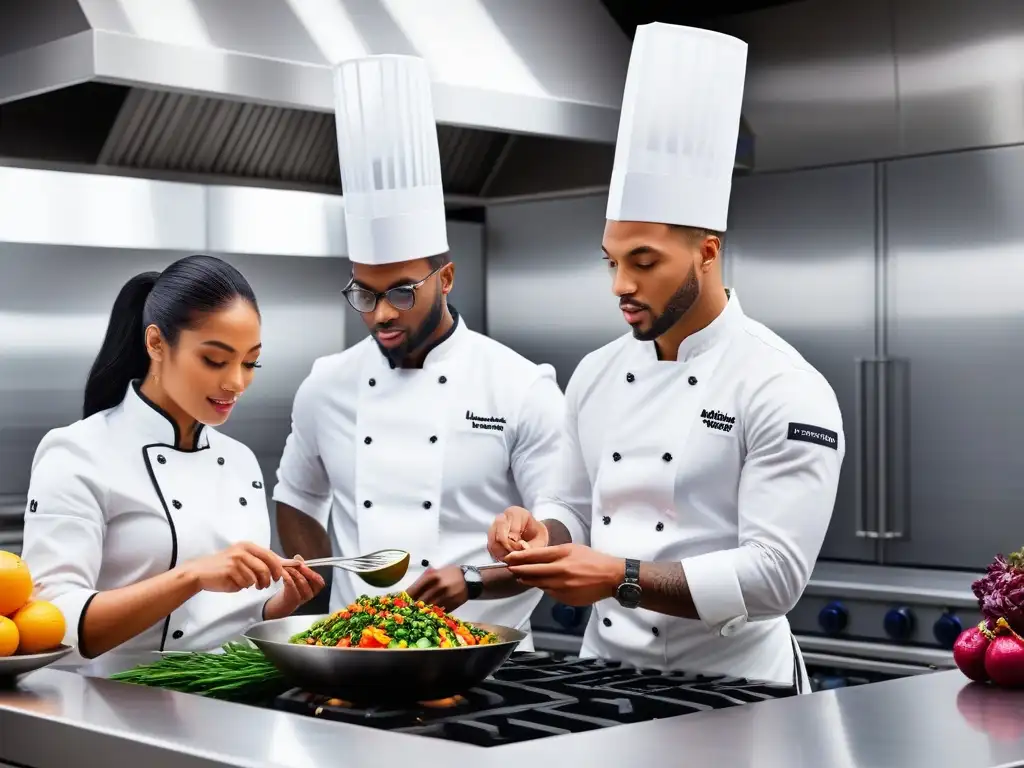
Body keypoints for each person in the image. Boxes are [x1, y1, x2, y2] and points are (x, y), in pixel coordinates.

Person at [487, 23, 845, 692]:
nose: (621, 284)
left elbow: (775, 577)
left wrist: (618, 577)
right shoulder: (594, 373)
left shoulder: (782, 385)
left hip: (735, 693)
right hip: (604, 681)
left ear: (707, 251)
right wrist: (537, 531)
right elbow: (568, 504)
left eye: (644, 262)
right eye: (613, 261)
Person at [273, 54, 564, 649]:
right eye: (364, 292)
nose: (380, 313)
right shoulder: (325, 385)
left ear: (447, 278)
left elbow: (559, 527)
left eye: (401, 292)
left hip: (488, 661)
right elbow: (298, 497)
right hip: (358, 659)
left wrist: (479, 580)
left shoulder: (519, 385)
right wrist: (328, 603)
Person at [20, 254, 324, 664]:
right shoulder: (77, 453)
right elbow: (55, 621)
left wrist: (279, 602)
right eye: (215, 360)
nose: (236, 382)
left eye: (251, 362)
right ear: (156, 343)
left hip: (230, 701)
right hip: (111, 705)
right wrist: (193, 575)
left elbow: (231, 617)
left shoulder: (240, 461)